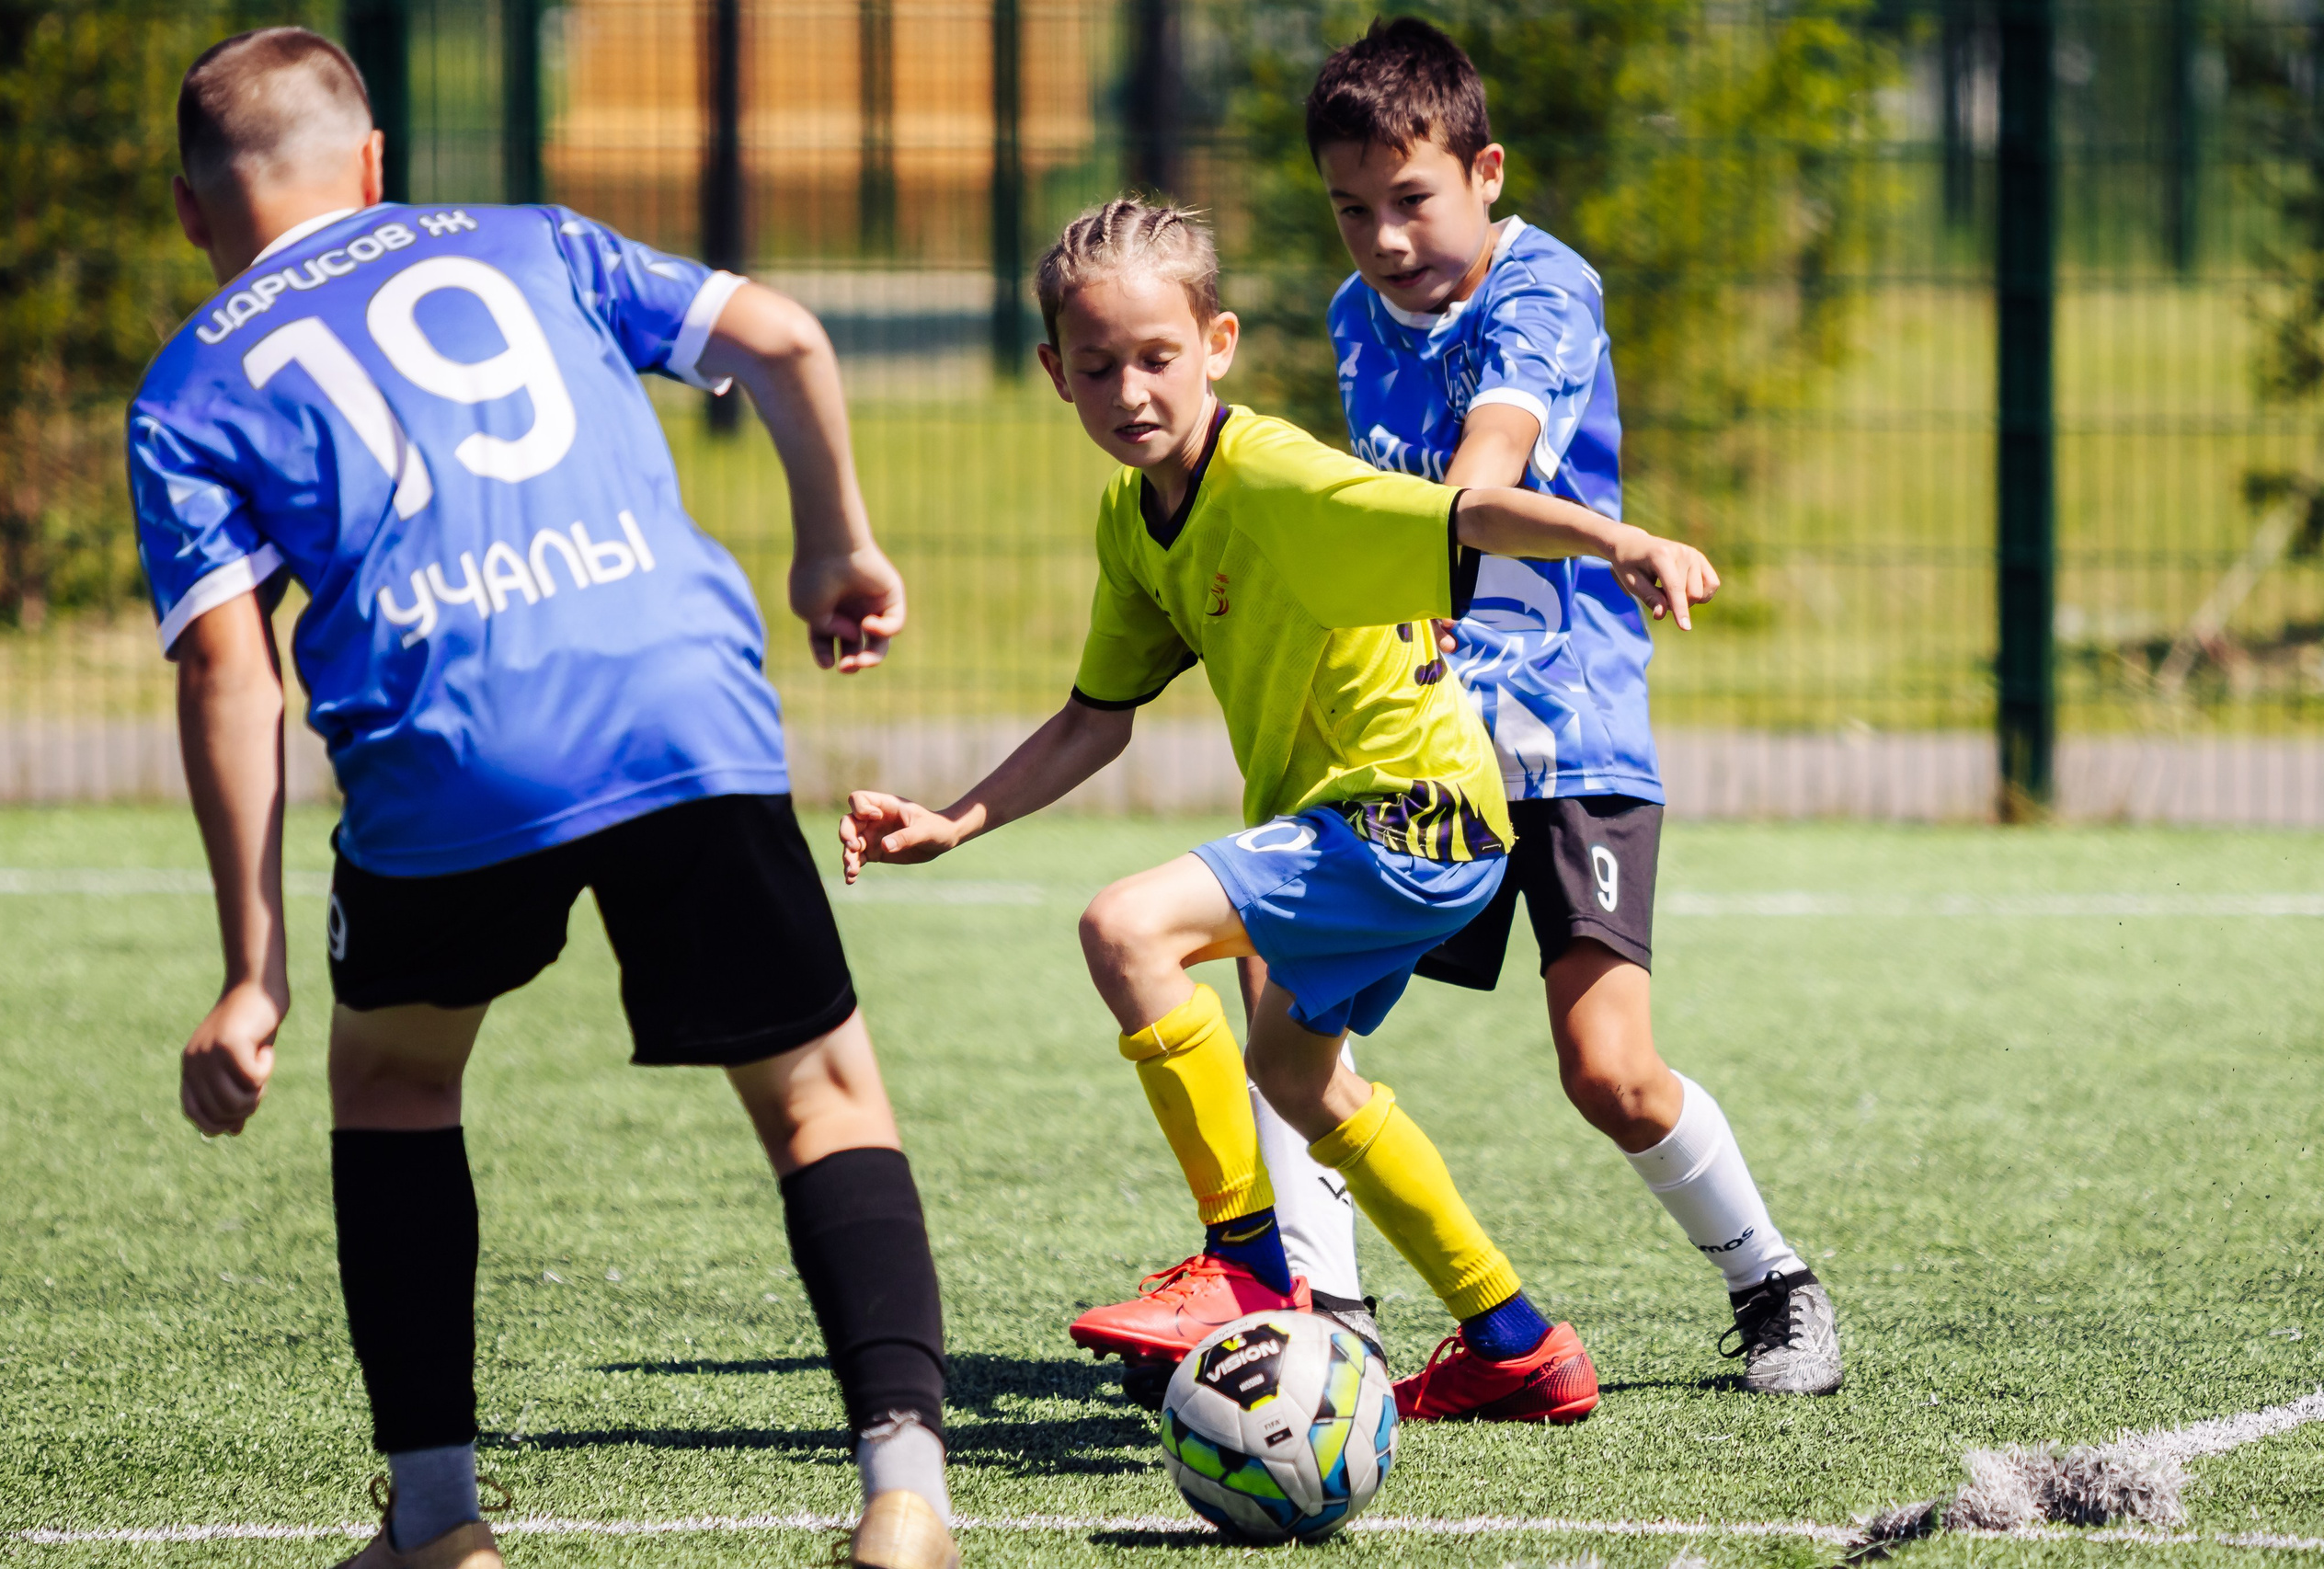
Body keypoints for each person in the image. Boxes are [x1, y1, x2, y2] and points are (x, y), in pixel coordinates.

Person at [137, 29, 958, 1569]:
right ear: (376, 167)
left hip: (451, 746)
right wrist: (834, 545)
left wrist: (250, 975)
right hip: (676, 698)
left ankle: (440, 1524)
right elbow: (781, 335)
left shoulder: (188, 388)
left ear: (193, 213)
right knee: (821, 1095)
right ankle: (904, 1495)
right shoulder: (532, 240)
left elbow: (227, 678)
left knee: (391, 1080)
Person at [840, 199, 1718, 1423]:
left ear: (1219, 344)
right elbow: (1099, 714)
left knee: (1126, 928)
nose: (1131, 390)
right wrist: (953, 819)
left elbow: (1467, 515)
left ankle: (1244, 1270)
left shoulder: (1278, 476)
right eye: (1098, 366)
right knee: (1300, 1078)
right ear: (1055, 373)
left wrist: (1619, 540)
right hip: (1377, 821)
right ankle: (1514, 1340)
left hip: (1409, 812)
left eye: (1157, 357)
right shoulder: (1131, 516)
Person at [1238, 16, 1844, 1400]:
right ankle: (1327, 1312)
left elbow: (1476, 475)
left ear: (1486, 170)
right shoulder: (1350, 320)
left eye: (1411, 199)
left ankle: (1774, 1283)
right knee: (1281, 989)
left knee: (1608, 1069)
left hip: (1571, 734)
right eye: (1350, 209)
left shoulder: (1543, 292)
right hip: (1425, 737)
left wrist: (1618, 543)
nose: (1384, 238)